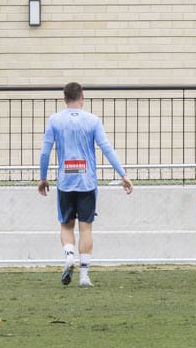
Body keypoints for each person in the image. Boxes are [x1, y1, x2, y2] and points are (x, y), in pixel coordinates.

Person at [37, 81, 132, 286]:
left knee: (66, 224)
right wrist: (122, 174)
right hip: (87, 181)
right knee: (86, 229)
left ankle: (69, 255)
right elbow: (106, 147)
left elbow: (45, 151)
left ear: (64, 99)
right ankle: (84, 276)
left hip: (65, 181)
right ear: (82, 98)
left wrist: (42, 177)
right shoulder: (93, 120)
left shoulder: (54, 120)